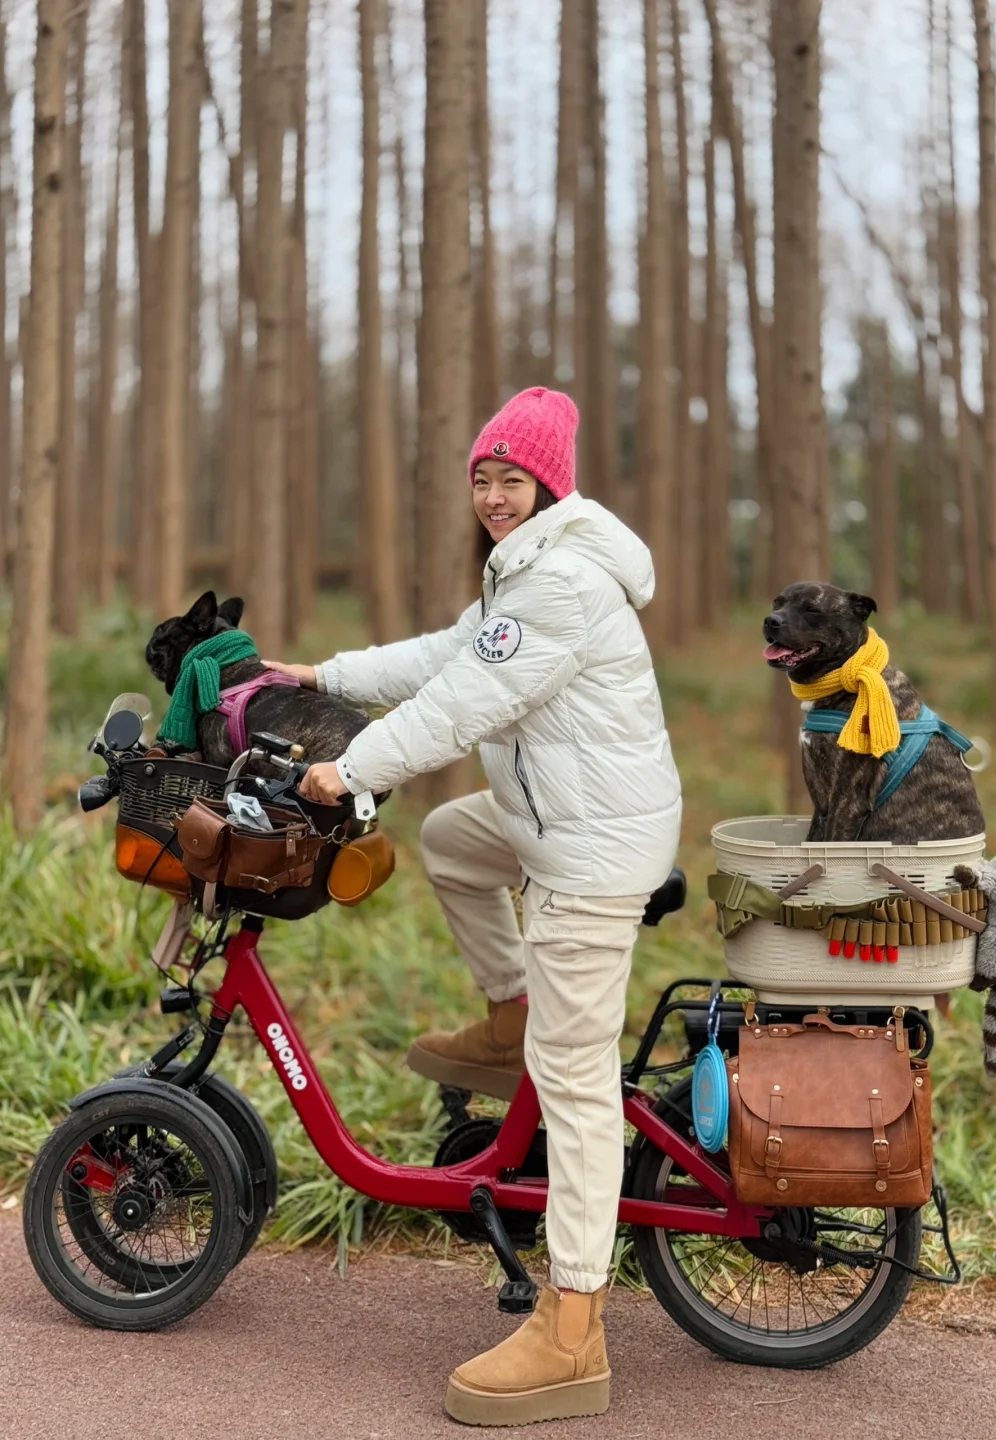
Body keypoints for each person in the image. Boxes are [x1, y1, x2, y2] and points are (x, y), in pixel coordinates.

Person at [266, 386, 681, 1427]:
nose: (496, 496)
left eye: (513, 478)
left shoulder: (564, 583)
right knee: (454, 840)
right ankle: (511, 1012)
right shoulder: (528, 565)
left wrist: (350, 773)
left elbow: (466, 703)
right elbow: (444, 656)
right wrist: (324, 675)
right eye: (484, 479)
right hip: (562, 819)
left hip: (590, 852)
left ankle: (574, 1328)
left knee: (577, 1081)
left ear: (551, 483)